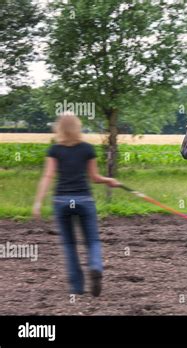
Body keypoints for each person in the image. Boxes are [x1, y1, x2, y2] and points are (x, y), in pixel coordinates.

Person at [33, 112, 120, 296]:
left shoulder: (54, 150)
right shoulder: (87, 149)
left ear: (59, 129)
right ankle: (95, 266)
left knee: (69, 244)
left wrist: (38, 202)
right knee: (93, 241)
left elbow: (48, 176)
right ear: (78, 127)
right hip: (84, 199)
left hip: (62, 201)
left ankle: (77, 288)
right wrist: (109, 180)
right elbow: (95, 178)